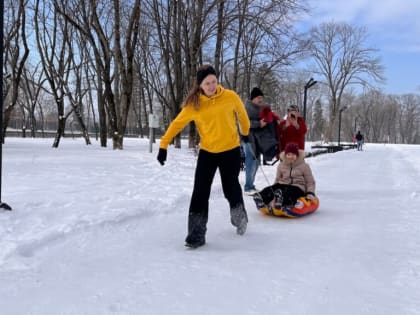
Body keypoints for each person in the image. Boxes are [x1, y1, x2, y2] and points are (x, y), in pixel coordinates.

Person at [156, 65, 251, 248]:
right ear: (200, 85)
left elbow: (243, 116)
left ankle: (240, 218)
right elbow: (177, 124)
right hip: (207, 152)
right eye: (207, 83)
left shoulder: (230, 96)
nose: (211, 86)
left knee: (230, 187)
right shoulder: (194, 105)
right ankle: (196, 234)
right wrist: (163, 145)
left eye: (213, 81)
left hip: (230, 150)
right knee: (200, 191)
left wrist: (245, 132)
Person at [252, 142, 316, 211]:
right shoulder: (281, 165)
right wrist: (273, 188)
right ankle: (261, 198)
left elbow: (310, 181)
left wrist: (310, 192)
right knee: (271, 189)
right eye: (289, 154)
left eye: (293, 154)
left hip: (298, 186)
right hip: (283, 184)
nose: (291, 157)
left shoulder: (304, 166)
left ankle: (282, 201)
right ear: (285, 155)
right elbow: (278, 178)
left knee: (290, 192)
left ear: (297, 155)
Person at [243, 87, 278, 195]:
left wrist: (272, 118)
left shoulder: (262, 108)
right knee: (250, 161)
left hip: (258, 140)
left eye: (261, 98)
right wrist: (259, 124)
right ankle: (248, 187)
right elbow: (242, 123)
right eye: (258, 98)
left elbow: (266, 119)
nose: (260, 100)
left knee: (257, 162)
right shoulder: (246, 108)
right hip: (248, 139)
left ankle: (251, 185)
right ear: (253, 98)